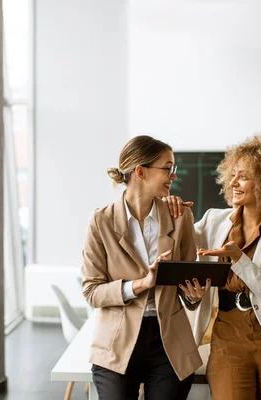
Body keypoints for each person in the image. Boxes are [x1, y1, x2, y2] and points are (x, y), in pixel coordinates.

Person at [164, 135, 261, 400]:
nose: (232, 183)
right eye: (232, 175)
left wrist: (239, 259)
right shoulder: (213, 220)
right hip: (227, 341)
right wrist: (168, 210)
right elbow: (177, 244)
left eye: (243, 177)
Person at [81, 135, 211, 400]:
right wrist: (141, 284)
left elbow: (185, 281)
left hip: (170, 344)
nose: (173, 176)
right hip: (116, 342)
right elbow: (92, 292)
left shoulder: (179, 216)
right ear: (140, 171)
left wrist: (193, 296)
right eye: (167, 168)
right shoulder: (101, 221)